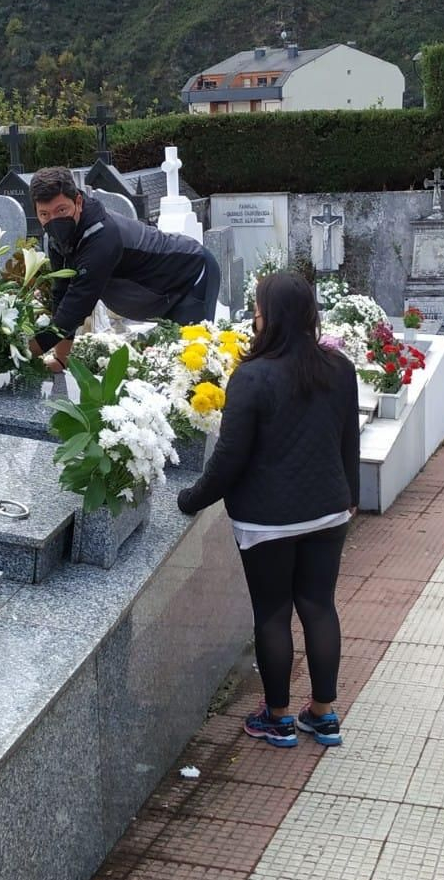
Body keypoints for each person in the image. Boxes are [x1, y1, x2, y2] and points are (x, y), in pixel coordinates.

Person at [176, 271, 359, 748]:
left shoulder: (251, 376)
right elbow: (348, 440)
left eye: (258, 307)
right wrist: (349, 496)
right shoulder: (338, 367)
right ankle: (323, 714)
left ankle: (277, 718)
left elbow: (229, 460)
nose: (254, 315)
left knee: (273, 613)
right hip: (328, 511)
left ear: (268, 315)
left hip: (267, 520)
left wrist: (189, 499)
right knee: (319, 606)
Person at [28, 167, 219, 370]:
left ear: (78, 202)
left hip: (190, 276)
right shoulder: (58, 239)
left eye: (61, 210)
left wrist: (23, 353)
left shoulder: (102, 238)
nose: (54, 220)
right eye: (44, 214)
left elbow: (76, 307)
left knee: (190, 366)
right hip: (155, 296)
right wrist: (60, 359)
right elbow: (62, 294)